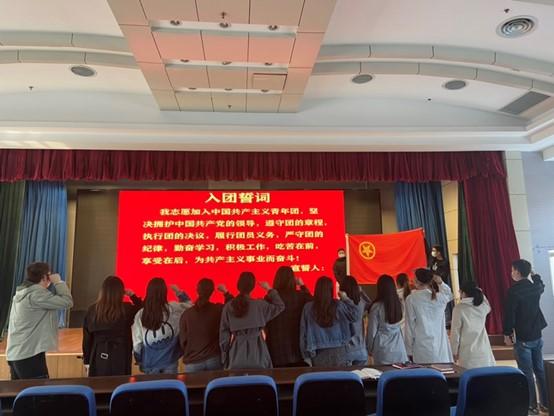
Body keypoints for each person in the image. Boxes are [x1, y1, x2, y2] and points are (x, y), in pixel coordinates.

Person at [6, 262, 73, 380]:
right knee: (39, 390)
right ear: (44, 277)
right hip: (29, 355)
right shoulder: (37, 294)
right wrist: (58, 282)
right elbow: (67, 302)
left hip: (17, 354)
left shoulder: (23, 292)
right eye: (49, 275)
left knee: (20, 391)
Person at [504, 259, 548, 415]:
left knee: (526, 373)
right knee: (540, 371)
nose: (511, 273)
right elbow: (541, 284)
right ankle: (546, 403)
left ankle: (532, 406)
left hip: (523, 337)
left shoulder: (514, 291)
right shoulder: (534, 287)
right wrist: (534, 275)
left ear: (517, 271)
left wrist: (507, 333)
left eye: (512, 270)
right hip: (537, 334)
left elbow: (509, 314)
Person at [219, 271, 284, 369]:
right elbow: (280, 306)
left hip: (236, 352)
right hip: (258, 350)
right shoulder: (260, 305)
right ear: (253, 287)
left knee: (237, 377)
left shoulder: (228, 307)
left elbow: (224, 335)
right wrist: (269, 289)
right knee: (261, 376)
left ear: (238, 285)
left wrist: (225, 355)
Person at [82, 275, 143, 376]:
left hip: (98, 353)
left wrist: (87, 360)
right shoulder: (127, 309)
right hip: (121, 353)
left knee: (99, 383)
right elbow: (142, 308)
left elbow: (87, 338)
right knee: (120, 382)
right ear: (121, 292)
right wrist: (132, 295)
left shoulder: (92, 310)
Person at [132, 278, 192, 374]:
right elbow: (189, 305)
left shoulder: (141, 314)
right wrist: (178, 292)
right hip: (170, 361)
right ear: (164, 293)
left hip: (149, 363)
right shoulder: (174, 308)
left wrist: (139, 360)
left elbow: (137, 343)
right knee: (170, 384)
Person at [300, 276, 360, 367]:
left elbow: (303, 334)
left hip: (317, 352)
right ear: (331, 290)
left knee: (322, 376)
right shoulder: (339, 305)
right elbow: (355, 316)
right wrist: (346, 299)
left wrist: (306, 356)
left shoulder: (308, 308)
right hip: (340, 350)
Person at [179, 279, 233, 373]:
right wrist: (226, 293)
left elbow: (183, 340)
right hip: (214, 359)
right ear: (212, 292)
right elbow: (233, 307)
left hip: (193, 361)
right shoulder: (218, 310)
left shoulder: (187, 314)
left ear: (197, 290)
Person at [265, 266, 313, 367]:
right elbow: (313, 303)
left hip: (276, 351)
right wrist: (302, 286)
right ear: (292, 280)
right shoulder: (300, 296)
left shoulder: (270, 298)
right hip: (298, 351)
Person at [405, 268, 453, 364]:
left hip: (421, 346)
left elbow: (410, 326)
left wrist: (409, 350)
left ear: (417, 281)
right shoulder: (440, 298)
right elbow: (449, 294)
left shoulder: (411, 299)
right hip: (440, 346)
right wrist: (440, 283)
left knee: (425, 372)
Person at [449, 280, 495, 369]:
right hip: (484, 350)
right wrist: (480, 292)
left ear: (463, 292)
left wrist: (453, 351)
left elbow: (455, 333)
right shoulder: (482, 306)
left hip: (467, 352)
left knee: (470, 376)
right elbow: (486, 303)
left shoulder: (459, 309)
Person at [367, 275, 408, 365]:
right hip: (399, 346)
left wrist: (369, 348)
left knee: (384, 373)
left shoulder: (376, 307)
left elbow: (372, 331)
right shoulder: (399, 303)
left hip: (382, 349)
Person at [340, 275, 371, 365]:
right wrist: (362, 292)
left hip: (346, 351)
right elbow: (370, 304)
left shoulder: (341, 305)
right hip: (361, 349)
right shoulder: (361, 303)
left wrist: (345, 299)